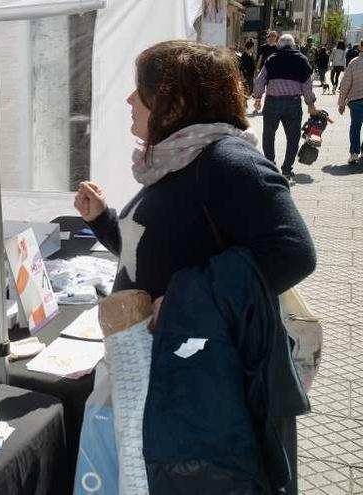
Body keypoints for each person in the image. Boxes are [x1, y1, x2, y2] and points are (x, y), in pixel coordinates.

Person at [74, 39, 315, 494]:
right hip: (170, 373)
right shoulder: (173, 159)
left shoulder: (227, 160)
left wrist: (188, 300)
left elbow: (294, 252)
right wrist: (103, 221)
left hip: (207, 386)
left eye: (139, 90)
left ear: (177, 102)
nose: (129, 101)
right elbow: (155, 253)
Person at [252, 34, 318, 181]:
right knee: (293, 138)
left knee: (268, 135)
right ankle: (287, 170)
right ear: (293, 45)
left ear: (279, 46)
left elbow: (260, 80)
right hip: (293, 104)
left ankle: (270, 166)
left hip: (272, 102)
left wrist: (257, 97)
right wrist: (310, 104)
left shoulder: (272, 59)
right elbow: (307, 86)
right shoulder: (302, 60)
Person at [338, 49, 363, 164]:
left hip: (356, 100)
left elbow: (346, 83)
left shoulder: (354, 62)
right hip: (356, 99)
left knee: (355, 127)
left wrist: (341, 103)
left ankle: (354, 154)